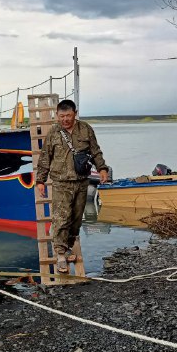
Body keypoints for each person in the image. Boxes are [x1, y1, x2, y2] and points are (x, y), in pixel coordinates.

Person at [35, 99, 109, 273]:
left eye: (68, 115)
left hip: (82, 181)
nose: (65, 119)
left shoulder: (85, 129)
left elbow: (96, 151)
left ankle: (67, 246)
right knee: (61, 218)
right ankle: (60, 254)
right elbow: (45, 157)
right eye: (61, 116)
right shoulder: (53, 132)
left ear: (75, 113)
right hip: (61, 183)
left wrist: (102, 168)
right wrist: (40, 180)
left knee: (76, 220)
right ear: (57, 115)